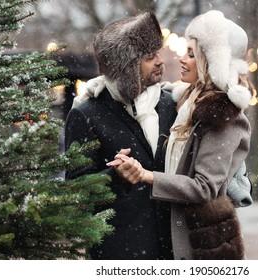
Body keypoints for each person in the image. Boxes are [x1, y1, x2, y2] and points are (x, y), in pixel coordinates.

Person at [108, 10, 254, 260]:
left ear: (211, 60)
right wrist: (102, 85)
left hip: (204, 244)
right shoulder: (185, 102)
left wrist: (146, 175)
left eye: (191, 53)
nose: (182, 59)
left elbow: (204, 188)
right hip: (172, 238)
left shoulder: (223, 117)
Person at [64, 12, 177, 260]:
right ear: (126, 67)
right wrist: (115, 177)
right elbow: (74, 194)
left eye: (158, 53)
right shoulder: (86, 115)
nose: (160, 61)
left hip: (174, 251)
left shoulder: (172, 104)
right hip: (120, 255)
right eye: (149, 57)